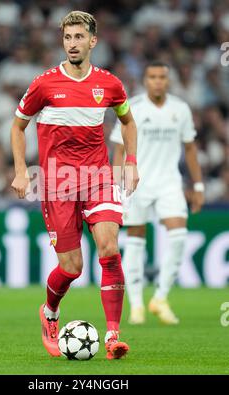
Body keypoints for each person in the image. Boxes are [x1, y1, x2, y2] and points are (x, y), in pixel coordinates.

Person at [10, 11, 139, 359]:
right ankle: (50, 312)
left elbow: (127, 122)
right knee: (72, 268)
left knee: (109, 249)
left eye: (79, 37)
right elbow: (17, 127)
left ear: (93, 41)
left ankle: (113, 337)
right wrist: (22, 171)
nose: (72, 44)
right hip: (57, 184)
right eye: (67, 38)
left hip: (97, 178)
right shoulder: (44, 84)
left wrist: (130, 162)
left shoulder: (110, 84)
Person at [111, 61, 204, 325]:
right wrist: (118, 186)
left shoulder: (180, 109)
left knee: (178, 235)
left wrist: (198, 186)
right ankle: (137, 305)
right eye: (153, 77)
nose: (158, 81)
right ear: (145, 80)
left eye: (162, 76)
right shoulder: (133, 108)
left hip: (169, 182)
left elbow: (190, 149)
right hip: (136, 182)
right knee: (135, 240)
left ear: (168, 80)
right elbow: (119, 149)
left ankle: (160, 297)